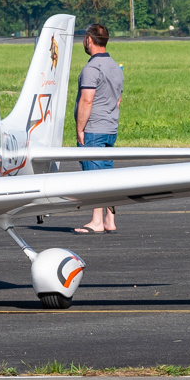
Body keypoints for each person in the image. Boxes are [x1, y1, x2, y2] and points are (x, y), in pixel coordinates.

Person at [74, 22, 124, 234]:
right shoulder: (114, 66)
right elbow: (118, 99)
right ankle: (109, 219)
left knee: (92, 175)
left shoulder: (91, 68)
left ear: (89, 40)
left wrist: (80, 128)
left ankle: (96, 220)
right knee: (107, 174)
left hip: (94, 127)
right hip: (110, 127)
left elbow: (87, 100)